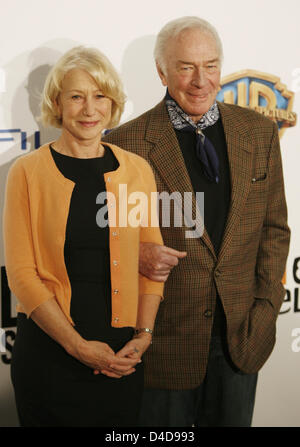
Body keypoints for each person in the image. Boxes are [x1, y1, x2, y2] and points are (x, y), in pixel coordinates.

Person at [103, 16, 291, 427]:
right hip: (163, 345)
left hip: (241, 339)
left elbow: (275, 229)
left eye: (210, 65)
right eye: (186, 67)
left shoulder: (257, 132)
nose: (200, 80)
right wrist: (136, 252)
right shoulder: (125, 143)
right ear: (161, 71)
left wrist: (265, 309)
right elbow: (106, 238)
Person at [3, 46, 163, 427]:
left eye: (100, 96)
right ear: (57, 102)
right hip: (49, 358)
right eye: (76, 96)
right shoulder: (26, 172)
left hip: (122, 359)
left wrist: (143, 336)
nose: (90, 109)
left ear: (113, 103)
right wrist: (78, 347)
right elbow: (22, 276)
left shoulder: (137, 170)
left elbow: (150, 262)